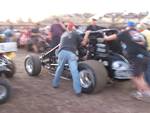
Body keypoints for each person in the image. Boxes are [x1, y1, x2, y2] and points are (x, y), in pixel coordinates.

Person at [104, 21, 150, 102]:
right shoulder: (140, 34)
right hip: (146, 56)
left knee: (135, 77)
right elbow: (144, 45)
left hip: (137, 58)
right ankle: (139, 93)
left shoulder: (124, 33)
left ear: (128, 26)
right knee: (140, 76)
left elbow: (109, 38)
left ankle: (147, 93)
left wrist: (104, 36)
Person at [52, 22, 89, 96]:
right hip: (71, 53)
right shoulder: (75, 34)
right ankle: (78, 91)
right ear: (73, 27)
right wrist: (87, 34)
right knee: (74, 71)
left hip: (61, 53)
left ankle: (55, 84)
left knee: (59, 68)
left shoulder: (63, 34)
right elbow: (84, 43)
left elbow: (60, 46)